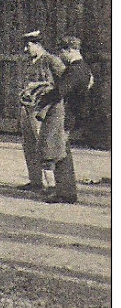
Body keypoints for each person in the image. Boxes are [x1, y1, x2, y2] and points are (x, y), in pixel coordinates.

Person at [42, 36, 93, 204]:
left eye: (62, 52)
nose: (61, 56)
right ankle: (66, 191)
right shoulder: (85, 68)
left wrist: (40, 98)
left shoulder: (73, 70)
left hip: (67, 115)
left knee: (60, 153)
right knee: (63, 151)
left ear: (69, 50)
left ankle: (65, 193)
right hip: (76, 114)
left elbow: (60, 91)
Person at [18, 30, 66, 194]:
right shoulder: (29, 62)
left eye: (28, 45)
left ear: (38, 44)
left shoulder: (52, 61)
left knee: (45, 146)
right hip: (27, 108)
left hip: (43, 110)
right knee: (29, 145)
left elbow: (65, 83)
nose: (26, 50)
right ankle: (35, 181)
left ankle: (51, 186)